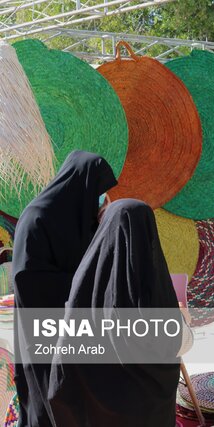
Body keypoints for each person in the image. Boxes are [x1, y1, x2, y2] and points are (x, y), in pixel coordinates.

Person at [48, 199, 189, 427]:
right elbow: (175, 343)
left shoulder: (85, 281)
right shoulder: (154, 286)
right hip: (148, 414)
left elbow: (63, 366)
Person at [12, 151, 117, 427]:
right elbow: (28, 281)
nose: (102, 198)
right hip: (44, 331)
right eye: (99, 191)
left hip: (78, 332)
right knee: (46, 404)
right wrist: (86, 284)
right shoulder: (37, 218)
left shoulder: (81, 221)